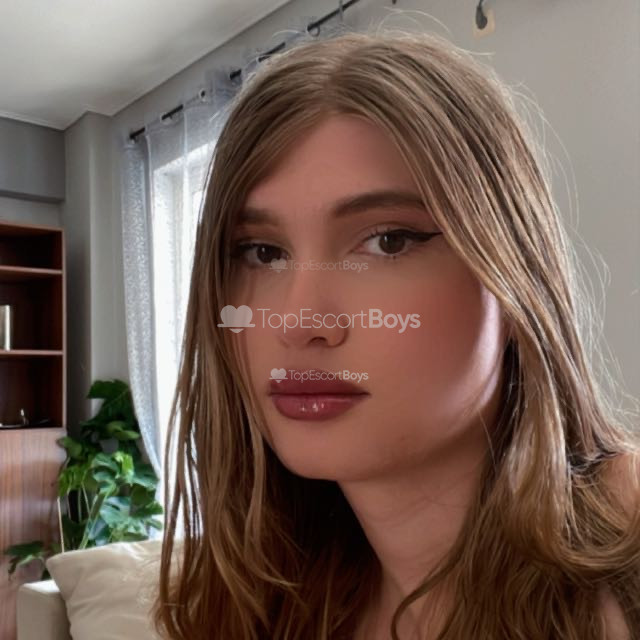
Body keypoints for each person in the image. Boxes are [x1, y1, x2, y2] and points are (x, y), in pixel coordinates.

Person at [151, 25, 640, 639]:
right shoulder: (256, 608)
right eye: (261, 252)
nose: (299, 323)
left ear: (516, 274)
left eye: (388, 241)